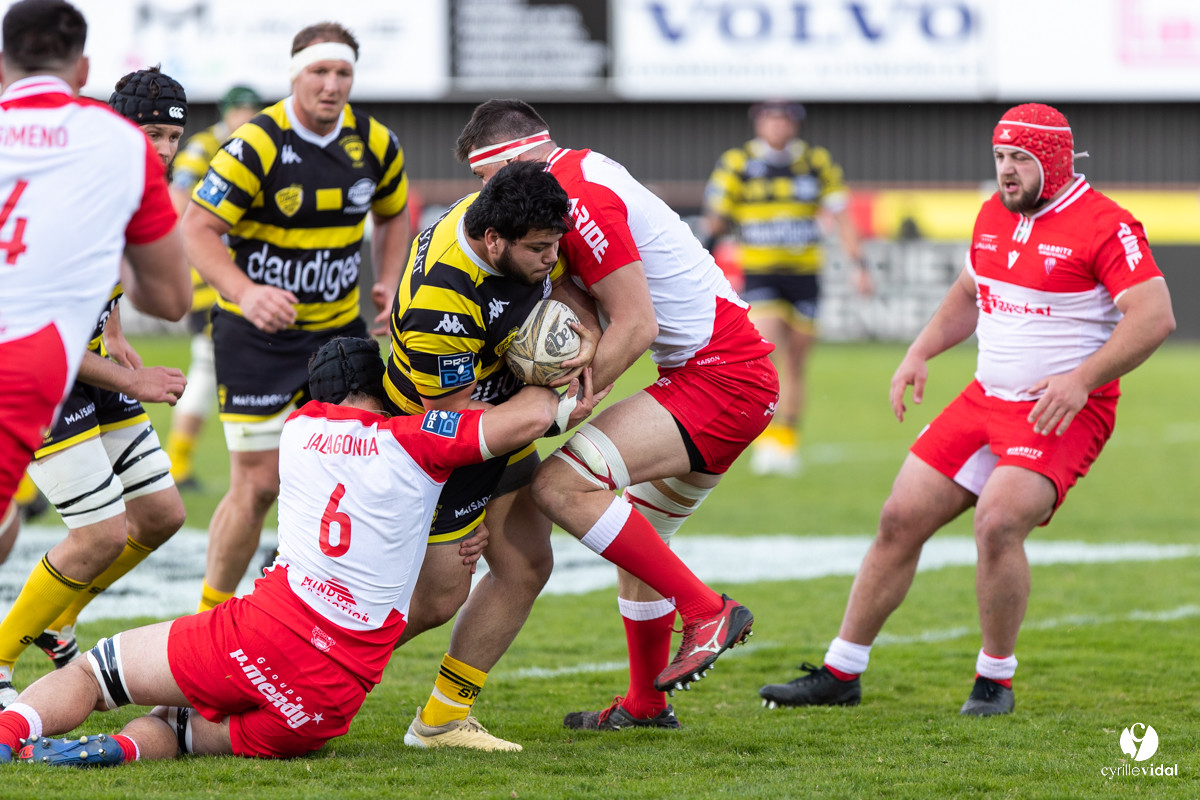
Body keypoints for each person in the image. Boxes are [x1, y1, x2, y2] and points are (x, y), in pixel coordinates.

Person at [758, 103, 1175, 716]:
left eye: (1020, 160)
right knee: (899, 518)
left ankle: (994, 679)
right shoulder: (993, 213)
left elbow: (1155, 316)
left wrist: (1082, 379)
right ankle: (841, 671)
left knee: (999, 522)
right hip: (983, 399)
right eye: (1000, 158)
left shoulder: (1104, 225)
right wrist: (920, 351)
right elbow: (967, 293)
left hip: (1056, 411)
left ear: (1054, 162)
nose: (1007, 172)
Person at [0, 336, 577, 765]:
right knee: (178, 733)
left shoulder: (297, 431)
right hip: (327, 704)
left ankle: (8, 735)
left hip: (262, 637)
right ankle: (120, 750)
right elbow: (523, 421)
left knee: (95, 674)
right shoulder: (417, 444)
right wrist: (554, 372)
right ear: (385, 391)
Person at [457, 99, 777, 731]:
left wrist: (566, 405)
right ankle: (647, 704)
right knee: (641, 548)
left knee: (560, 484)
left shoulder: (578, 195)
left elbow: (636, 323)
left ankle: (705, 610)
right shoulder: (577, 176)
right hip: (721, 375)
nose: (489, 200)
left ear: (506, 162)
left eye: (484, 183)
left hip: (719, 378)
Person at [181, 22, 411, 613]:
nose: (331, 86)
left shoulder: (376, 144)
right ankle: (210, 616)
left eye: (342, 74)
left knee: (354, 469)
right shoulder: (257, 143)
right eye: (319, 72)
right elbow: (197, 229)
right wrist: (245, 290)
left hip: (337, 334)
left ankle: (317, 603)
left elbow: (392, 216)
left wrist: (389, 278)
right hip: (256, 336)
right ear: (295, 75)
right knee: (257, 486)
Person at [0, 0, 190, 698]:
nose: (165, 149)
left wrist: (111, 329)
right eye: (155, 133)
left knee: (162, 516)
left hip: (82, 361)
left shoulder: (96, 155)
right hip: (39, 370)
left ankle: (58, 618)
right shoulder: (102, 163)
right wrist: (124, 374)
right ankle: (1, 655)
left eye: (174, 135)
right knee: (100, 534)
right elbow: (32, 315)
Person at [386, 160, 600, 751]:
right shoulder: (443, 302)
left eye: (555, 244)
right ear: (492, 240)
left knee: (527, 564)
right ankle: (293, 671)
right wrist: (554, 410)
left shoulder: (495, 213)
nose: (550, 260)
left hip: (500, 416)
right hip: (441, 441)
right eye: (538, 249)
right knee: (435, 598)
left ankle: (442, 720)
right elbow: (454, 422)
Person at [704, 100, 873, 476]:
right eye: (770, 118)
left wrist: (859, 266)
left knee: (795, 363)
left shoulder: (816, 162)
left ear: (795, 125)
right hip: (762, 273)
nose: (777, 125)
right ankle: (766, 442)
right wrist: (702, 263)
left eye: (784, 119)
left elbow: (842, 217)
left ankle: (786, 443)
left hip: (805, 276)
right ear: (759, 123)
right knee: (769, 357)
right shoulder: (738, 163)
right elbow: (717, 219)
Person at [165, 85, 264, 490]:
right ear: (227, 112)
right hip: (208, 280)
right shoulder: (204, 146)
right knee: (212, 368)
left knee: (212, 369)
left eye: (251, 109)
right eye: (240, 109)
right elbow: (177, 202)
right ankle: (178, 464)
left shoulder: (258, 146)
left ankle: (179, 464)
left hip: (239, 276)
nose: (246, 115)